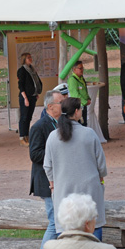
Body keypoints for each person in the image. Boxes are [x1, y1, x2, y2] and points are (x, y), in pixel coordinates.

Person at [44, 98, 107, 240]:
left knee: (65, 233)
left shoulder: (53, 137)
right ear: (77, 112)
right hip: (90, 190)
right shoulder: (89, 133)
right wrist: (101, 180)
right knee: (93, 229)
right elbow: (101, 164)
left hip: (63, 191)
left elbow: (47, 165)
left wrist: (53, 183)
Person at [30, 90, 64, 249]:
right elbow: (35, 154)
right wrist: (56, 156)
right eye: (60, 102)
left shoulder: (62, 123)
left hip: (59, 180)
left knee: (58, 221)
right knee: (54, 222)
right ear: (50, 106)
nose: (63, 105)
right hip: (45, 182)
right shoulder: (39, 127)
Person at [17, 52, 43, 147]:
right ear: (24, 59)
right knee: (24, 117)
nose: (30, 59)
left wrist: (36, 92)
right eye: (28, 58)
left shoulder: (32, 69)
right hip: (25, 97)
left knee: (29, 117)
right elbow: (21, 85)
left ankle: (26, 135)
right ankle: (22, 137)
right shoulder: (22, 70)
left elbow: (35, 82)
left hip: (32, 96)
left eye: (30, 57)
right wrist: (25, 98)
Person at [67, 61, 90, 126]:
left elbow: (84, 90)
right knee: (80, 124)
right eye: (80, 68)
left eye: (83, 68)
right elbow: (75, 95)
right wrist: (85, 102)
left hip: (83, 106)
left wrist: (88, 98)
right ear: (74, 69)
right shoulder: (72, 80)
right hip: (78, 106)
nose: (82, 70)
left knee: (84, 124)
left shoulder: (81, 78)